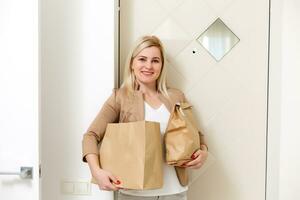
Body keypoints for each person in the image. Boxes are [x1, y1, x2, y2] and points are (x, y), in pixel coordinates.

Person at [82, 35, 208, 200]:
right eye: (142, 59)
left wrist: (203, 152)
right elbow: (90, 136)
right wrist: (96, 172)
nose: (149, 66)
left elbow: (197, 136)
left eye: (155, 60)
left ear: (162, 66)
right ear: (132, 63)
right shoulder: (119, 98)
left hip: (175, 192)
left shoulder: (176, 97)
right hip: (134, 194)